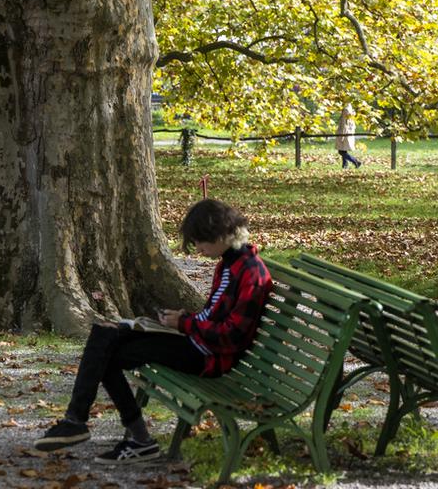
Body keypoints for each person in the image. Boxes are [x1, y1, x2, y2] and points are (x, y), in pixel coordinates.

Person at [33, 199, 272, 465]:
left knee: (108, 355)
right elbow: (213, 317)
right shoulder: (229, 263)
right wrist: (182, 319)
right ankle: (77, 422)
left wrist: (184, 325)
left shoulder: (250, 273)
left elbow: (231, 335)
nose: (198, 249)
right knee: (105, 333)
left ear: (219, 234)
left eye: (200, 242)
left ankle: (129, 438)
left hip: (209, 357)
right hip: (195, 341)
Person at [335, 104, 362, 169]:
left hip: (344, 133)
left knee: (341, 151)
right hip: (348, 132)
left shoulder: (346, 110)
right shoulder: (350, 110)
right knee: (344, 150)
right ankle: (345, 165)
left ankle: (356, 161)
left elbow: (344, 124)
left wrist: (342, 136)